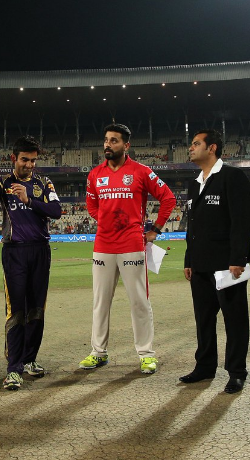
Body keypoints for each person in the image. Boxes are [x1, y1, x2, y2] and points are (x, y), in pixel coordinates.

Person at [79, 123, 175, 374]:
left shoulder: (141, 171)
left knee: (139, 301)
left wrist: (155, 230)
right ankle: (98, 353)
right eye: (106, 140)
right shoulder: (94, 174)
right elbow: (91, 204)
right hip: (103, 245)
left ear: (126, 145)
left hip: (132, 244)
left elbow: (168, 197)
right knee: (100, 302)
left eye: (114, 140)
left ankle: (146, 354)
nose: (108, 145)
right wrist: (106, 220)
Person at [0, 131, 61, 390]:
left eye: (33, 160)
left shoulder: (44, 183)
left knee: (37, 309)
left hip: (40, 251)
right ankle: (13, 369)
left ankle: (29, 360)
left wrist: (29, 200)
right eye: (25, 159)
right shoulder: (3, 182)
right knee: (16, 311)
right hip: (14, 253)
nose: (29, 165)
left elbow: (56, 211)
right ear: (14, 158)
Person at [181, 130, 250, 394]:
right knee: (203, 319)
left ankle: (236, 372)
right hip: (200, 263)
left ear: (211, 148)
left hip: (227, 264)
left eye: (196, 144)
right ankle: (205, 366)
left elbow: (242, 220)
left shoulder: (233, 177)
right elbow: (192, 227)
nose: (191, 148)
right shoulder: (194, 184)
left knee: (234, 320)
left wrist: (238, 257)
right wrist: (189, 259)